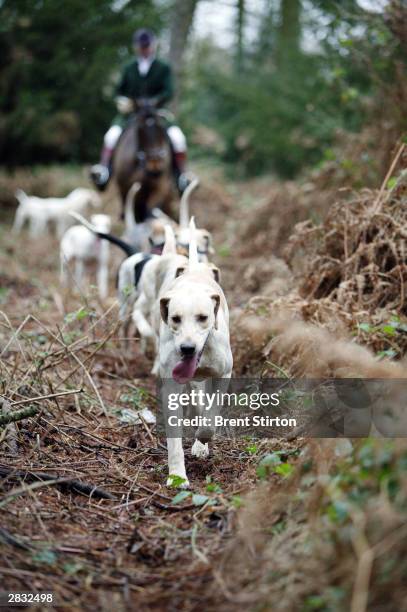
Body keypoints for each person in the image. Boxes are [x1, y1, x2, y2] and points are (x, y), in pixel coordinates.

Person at [90, 28, 189, 193]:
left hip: (157, 113)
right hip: (132, 113)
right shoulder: (129, 67)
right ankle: (104, 171)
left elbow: (169, 91)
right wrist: (124, 101)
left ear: (153, 46)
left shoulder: (163, 67)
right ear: (136, 47)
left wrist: (155, 100)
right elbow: (119, 91)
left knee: (178, 138)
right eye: (141, 46)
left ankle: (181, 176)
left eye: (147, 46)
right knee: (111, 136)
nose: (144, 49)